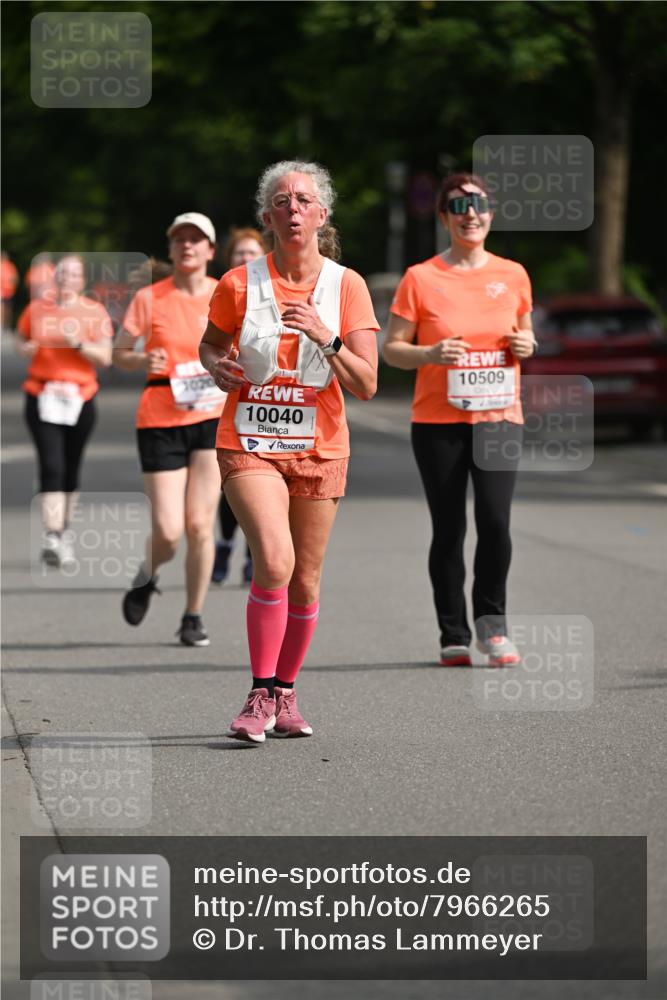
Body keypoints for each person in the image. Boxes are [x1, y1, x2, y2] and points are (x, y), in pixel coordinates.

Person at [200, 160, 379, 742]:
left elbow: (367, 383)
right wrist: (218, 368)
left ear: (321, 215)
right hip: (250, 440)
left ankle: (285, 691)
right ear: (267, 217)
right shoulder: (238, 284)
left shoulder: (346, 286)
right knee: (273, 561)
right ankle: (258, 691)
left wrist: (325, 337)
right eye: (282, 201)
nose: (293, 208)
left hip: (321, 447)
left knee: (304, 580)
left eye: (304, 200)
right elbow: (209, 347)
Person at [383, 173, 537, 668]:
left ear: (491, 213)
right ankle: (453, 632)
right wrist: (429, 352)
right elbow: (392, 350)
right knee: (448, 528)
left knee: (494, 522)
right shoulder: (421, 277)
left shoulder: (513, 274)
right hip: (437, 421)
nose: (472, 212)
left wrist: (526, 345)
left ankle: (493, 629)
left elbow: (525, 334)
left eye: (480, 203)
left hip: (499, 416)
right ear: (445, 216)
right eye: (459, 204)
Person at [113, 213, 224, 647]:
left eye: (196, 240)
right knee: (169, 531)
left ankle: (193, 614)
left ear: (211, 250)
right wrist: (140, 361)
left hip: (211, 416)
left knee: (200, 525)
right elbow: (119, 350)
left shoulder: (225, 294)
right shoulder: (150, 297)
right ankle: (149, 572)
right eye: (179, 240)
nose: (187, 246)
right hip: (160, 418)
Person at [16, 254, 113, 567]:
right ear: (54, 277)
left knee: (71, 467)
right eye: (62, 272)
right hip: (42, 394)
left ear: (82, 280)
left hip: (80, 398)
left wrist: (79, 345)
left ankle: (64, 531)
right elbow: (22, 339)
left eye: (73, 273)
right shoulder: (37, 309)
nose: (66, 278)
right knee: (51, 464)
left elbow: (105, 357)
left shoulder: (93, 312)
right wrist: (26, 348)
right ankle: (53, 535)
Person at [211, 228, 266, 586]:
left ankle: (253, 554)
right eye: (238, 254)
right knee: (232, 483)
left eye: (252, 253)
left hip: (267, 406)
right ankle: (226, 542)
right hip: (216, 398)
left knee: (263, 485)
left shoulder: (275, 292)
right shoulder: (225, 291)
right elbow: (206, 343)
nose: (245, 260)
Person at [1, 251, 19, 331]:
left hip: (9, 292)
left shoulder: (10, 266)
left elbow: (15, 278)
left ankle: (7, 326)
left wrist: (13, 283)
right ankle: (2, 325)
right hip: (1, 291)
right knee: (2, 308)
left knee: (8, 309)